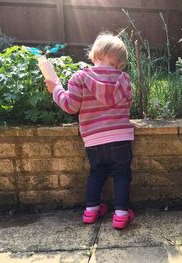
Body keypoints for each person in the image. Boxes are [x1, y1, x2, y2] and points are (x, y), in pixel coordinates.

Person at [44, 32, 134, 230]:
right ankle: (120, 215)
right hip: (120, 137)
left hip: (93, 139)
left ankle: (91, 211)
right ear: (120, 61)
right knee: (121, 175)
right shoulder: (124, 79)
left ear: (95, 55)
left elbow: (70, 106)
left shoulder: (79, 78)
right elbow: (129, 103)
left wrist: (56, 89)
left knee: (96, 173)